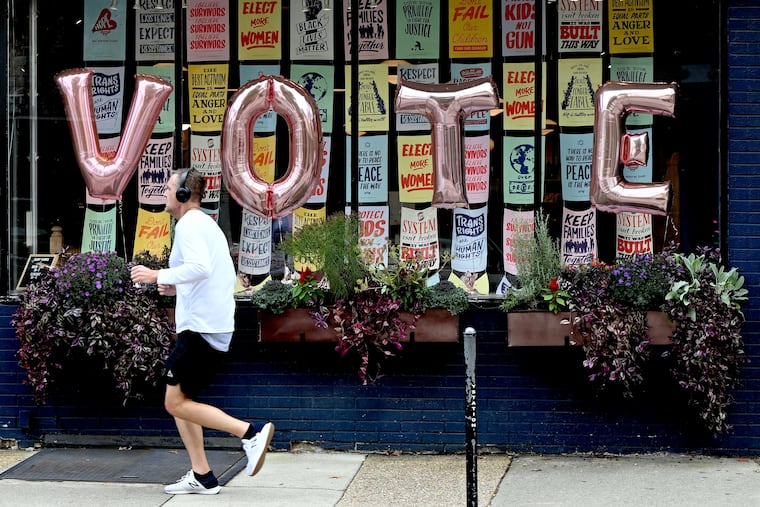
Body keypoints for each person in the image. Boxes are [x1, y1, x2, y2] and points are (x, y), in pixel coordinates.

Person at [130, 168, 274, 495]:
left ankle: (250, 434)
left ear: (183, 195)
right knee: (182, 400)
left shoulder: (190, 225)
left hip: (201, 329)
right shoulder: (204, 225)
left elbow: (200, 268)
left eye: (168, 188)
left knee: (173, 403)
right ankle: (203, 475)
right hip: (207, 325)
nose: (164, 194)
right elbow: (210, 276)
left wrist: (155, 275)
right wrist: (175, 287)